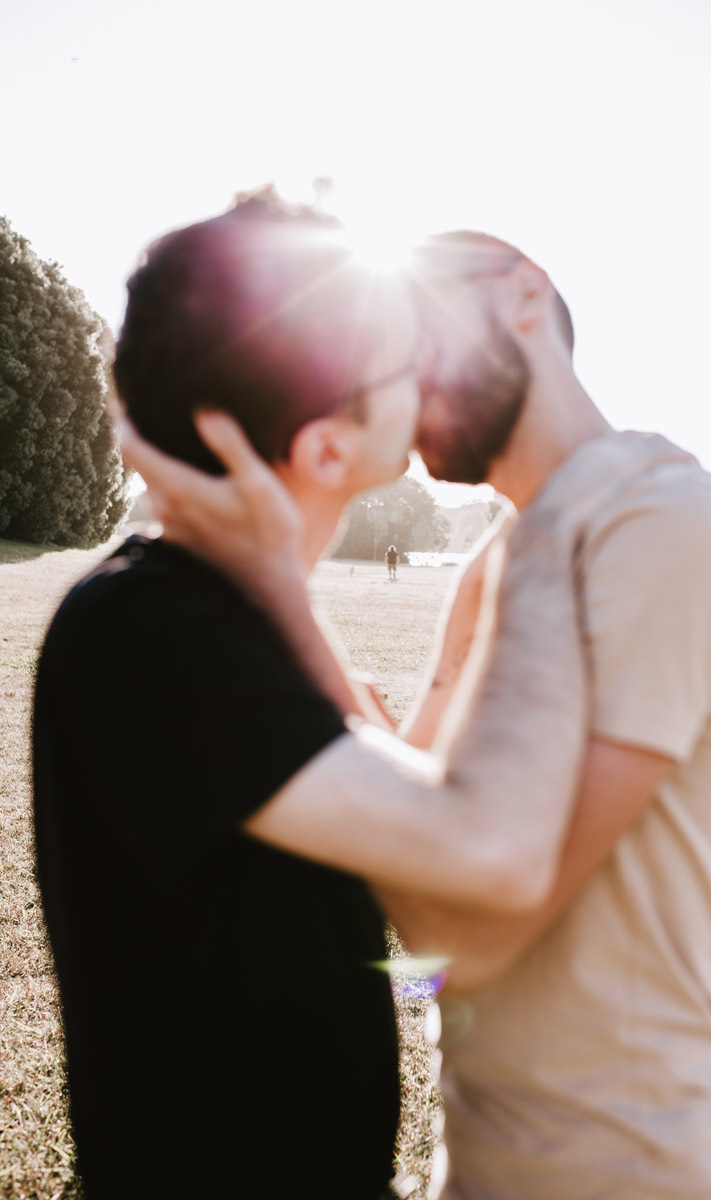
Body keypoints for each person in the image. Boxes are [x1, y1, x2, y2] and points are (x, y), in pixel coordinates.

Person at [123, 229, 711, 1200]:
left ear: (523, 293)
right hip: (476, 1166)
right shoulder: (502, 559)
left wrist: (279, 597)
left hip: (633, 1172)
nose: (398, 380)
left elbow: (463, 933)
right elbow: (415, 837)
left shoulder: (660, 521)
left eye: (418, 333)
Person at [32, 190, 428, 1200]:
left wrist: (288, 595)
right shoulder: (152, 627)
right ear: (325, 446)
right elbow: (469, 848)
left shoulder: (217, 608)